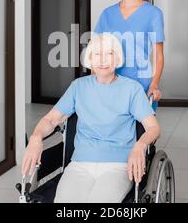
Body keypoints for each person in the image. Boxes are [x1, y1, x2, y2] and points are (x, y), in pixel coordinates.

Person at [22, 33, 161, 203]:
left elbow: (153, 128)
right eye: (97, 54)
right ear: (90, 59)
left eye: (109, 53)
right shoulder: (78, 87)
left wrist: (140, 145)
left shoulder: (132, 89)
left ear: (117, 58)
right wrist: (36, 137)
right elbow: (50, 120)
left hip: (118, 166)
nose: (102, 60)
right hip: (80, 164)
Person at [94, 0, 165, 111]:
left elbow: (158, 56)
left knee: (141, 132)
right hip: (110, 83)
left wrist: (154, 84)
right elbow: (95, 51)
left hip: (141, 85)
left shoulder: (153, 13)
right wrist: (95, 83)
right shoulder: (107, 14)